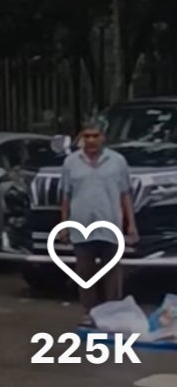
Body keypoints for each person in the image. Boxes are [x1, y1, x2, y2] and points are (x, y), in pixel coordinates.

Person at [60, 120, 136, 309]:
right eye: (87, 136)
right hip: (81, 226)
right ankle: (89, 314)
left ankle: (112, 314)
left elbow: (125, 194)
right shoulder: (70, 163)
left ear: (103, 138)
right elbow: (66, 196)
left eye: (95, 135)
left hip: (110, 225)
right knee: (85, 274)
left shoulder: (118, 161)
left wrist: (131, 224)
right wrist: (63, 225)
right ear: (81, 138)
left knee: (112, 274)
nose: (91, 140)